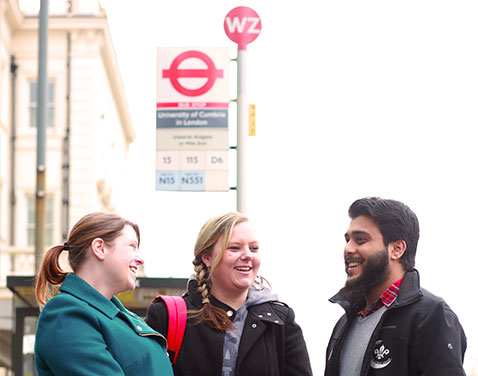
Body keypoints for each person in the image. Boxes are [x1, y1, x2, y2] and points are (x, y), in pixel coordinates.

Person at [146, 212, 313, 376]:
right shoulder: (166, 316)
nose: (248, 255)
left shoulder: (280, 321)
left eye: (254, 248)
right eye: (234, 247)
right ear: (207, 257)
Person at [325, 197, 467, 376]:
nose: (348, 249)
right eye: (347, 240)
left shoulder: (431, 315)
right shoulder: (346, 321)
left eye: (360, 240)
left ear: (397, 249)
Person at [34, 212, 173, 376]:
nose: (140, 259)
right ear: (99, 248)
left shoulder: (118, 317)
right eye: (132, 247)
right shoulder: (65, 314)